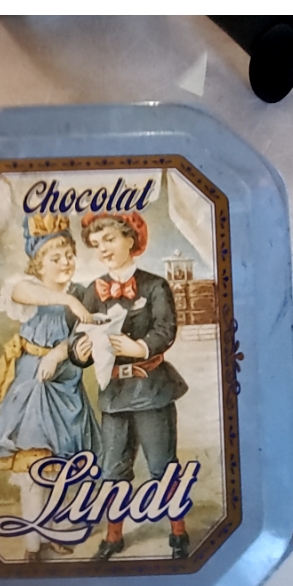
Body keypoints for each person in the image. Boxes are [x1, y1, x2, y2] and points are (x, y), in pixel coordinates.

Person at [0, 213, 102, 562]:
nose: (66, 262)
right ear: (38, 264)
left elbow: (84, 335)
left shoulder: (82, 293)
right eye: (55, 257)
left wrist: (61, 351)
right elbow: (20, 291)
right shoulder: (27, 288)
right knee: (34, 465)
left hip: (65, 384)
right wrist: (66, 301)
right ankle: (33, 544)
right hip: (31, 385)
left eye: (69, 255)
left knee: (64, 466)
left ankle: (55, 529)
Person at [71, 211, 190, 560]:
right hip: (113, 395)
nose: (103, 249)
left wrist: (140, 348)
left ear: (130, 239)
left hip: (150, 390)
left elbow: (166, 329)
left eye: (109, 239)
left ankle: (178, 533)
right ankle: (114, 537)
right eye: (96, 244)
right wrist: (80, 351)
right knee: (113, 468)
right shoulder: (93, 291)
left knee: (162, 465)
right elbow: (79, 335)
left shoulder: (155, 286)